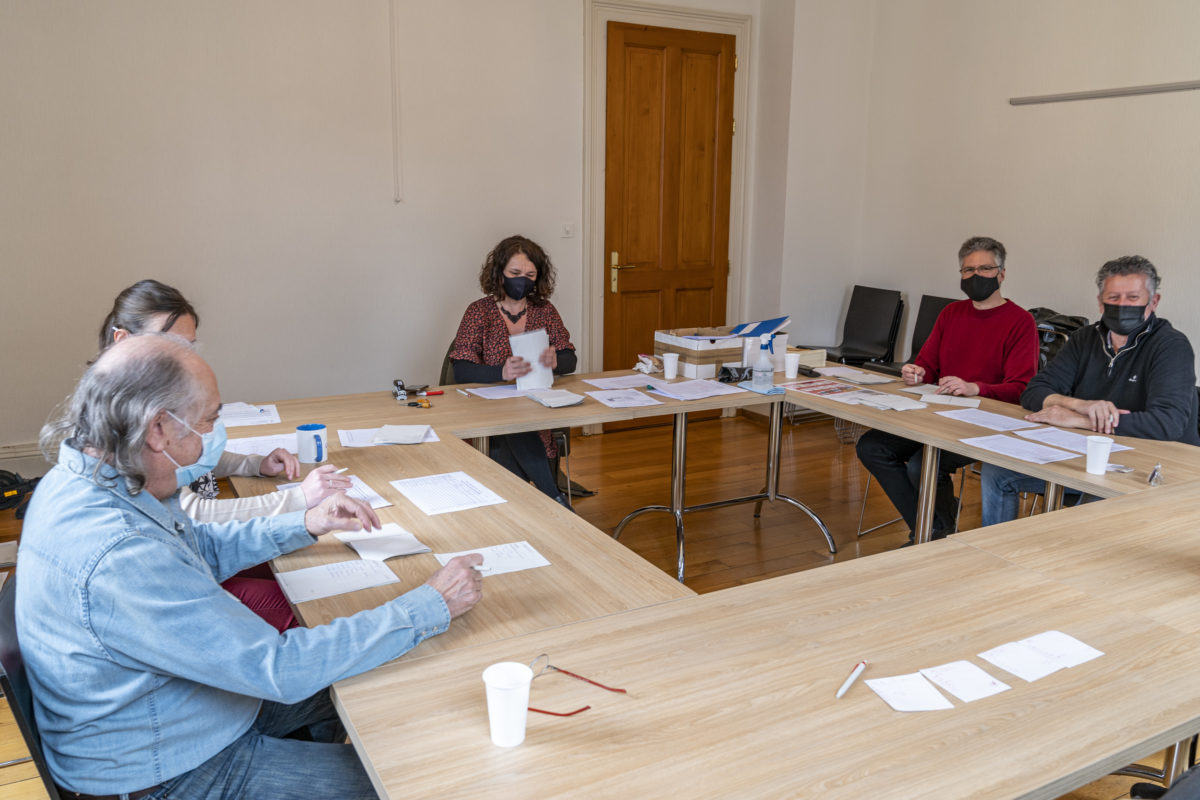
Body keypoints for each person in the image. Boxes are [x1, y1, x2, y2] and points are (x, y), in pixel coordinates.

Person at [17, 334, 484, 799]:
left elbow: (198, 547)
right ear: (157, 429)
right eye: (206, 423)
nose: (205, 450)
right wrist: (428, 605)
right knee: (417, 778)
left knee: (367, 675)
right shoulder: (119, 551)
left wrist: (305, 523)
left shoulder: (84, 479)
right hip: (164, 769)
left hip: (172, 713)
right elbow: (278, 668)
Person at [101, 279, 349, 631]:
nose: (184, 361)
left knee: (305, 560)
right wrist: (299, 499)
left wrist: (254, 464)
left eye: (188, 347)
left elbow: (190, 457)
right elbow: (195, 514)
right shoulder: (120, 427)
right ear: (123, 341)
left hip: (196, 552)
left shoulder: (145, 401)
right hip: (179, 581)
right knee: (318, 606)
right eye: (169, 345)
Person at [980, 255, 1200, 526]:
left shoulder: (1171, 346)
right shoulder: (1085, 339)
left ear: (1153, 302)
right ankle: (996, 554)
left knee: (1088, 510)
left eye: (1133, 298)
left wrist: (1081, 421)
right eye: (1114, 298)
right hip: (1093, 457)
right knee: (997, 472)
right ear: (1100, 302)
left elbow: (1168, 423)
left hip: (1155, 468)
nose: (1122, 306)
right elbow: (1034, 391)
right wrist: (1080, 405)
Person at [855, 236, 1039, 543]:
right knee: (872, 447)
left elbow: (1021, 389)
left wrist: (974, 388)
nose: (975, 276)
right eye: (968, 270)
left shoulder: (1021, 322)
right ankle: (933, 528)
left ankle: (931, 531)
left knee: (921, 465)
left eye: (984, 269)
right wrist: (917, 372)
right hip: (934, 412)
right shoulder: (951, 314)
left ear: (1002, 274)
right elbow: (927, 364)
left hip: (984, 420)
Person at [450, 235, 577, 503]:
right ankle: (552, 497)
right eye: (515, 273)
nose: (523, 280)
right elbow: (460, 369)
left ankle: (525, 504)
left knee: (516, 429)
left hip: (536, 405)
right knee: (509, 427)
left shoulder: (545, 311)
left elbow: (570, 359)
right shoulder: (479, 312)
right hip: (488, 411)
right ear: (499, 273)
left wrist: (557, 360)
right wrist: (501, 373)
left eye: (530, 275)